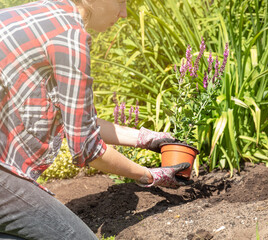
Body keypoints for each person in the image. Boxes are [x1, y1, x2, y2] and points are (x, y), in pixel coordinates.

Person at [0, 0, 191, 239]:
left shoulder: (38, 14)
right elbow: (87, 150)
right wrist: (150, 176)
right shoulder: (69, 38)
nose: (123, 13)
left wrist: (146, 139)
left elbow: (77, 123)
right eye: (121, 2)